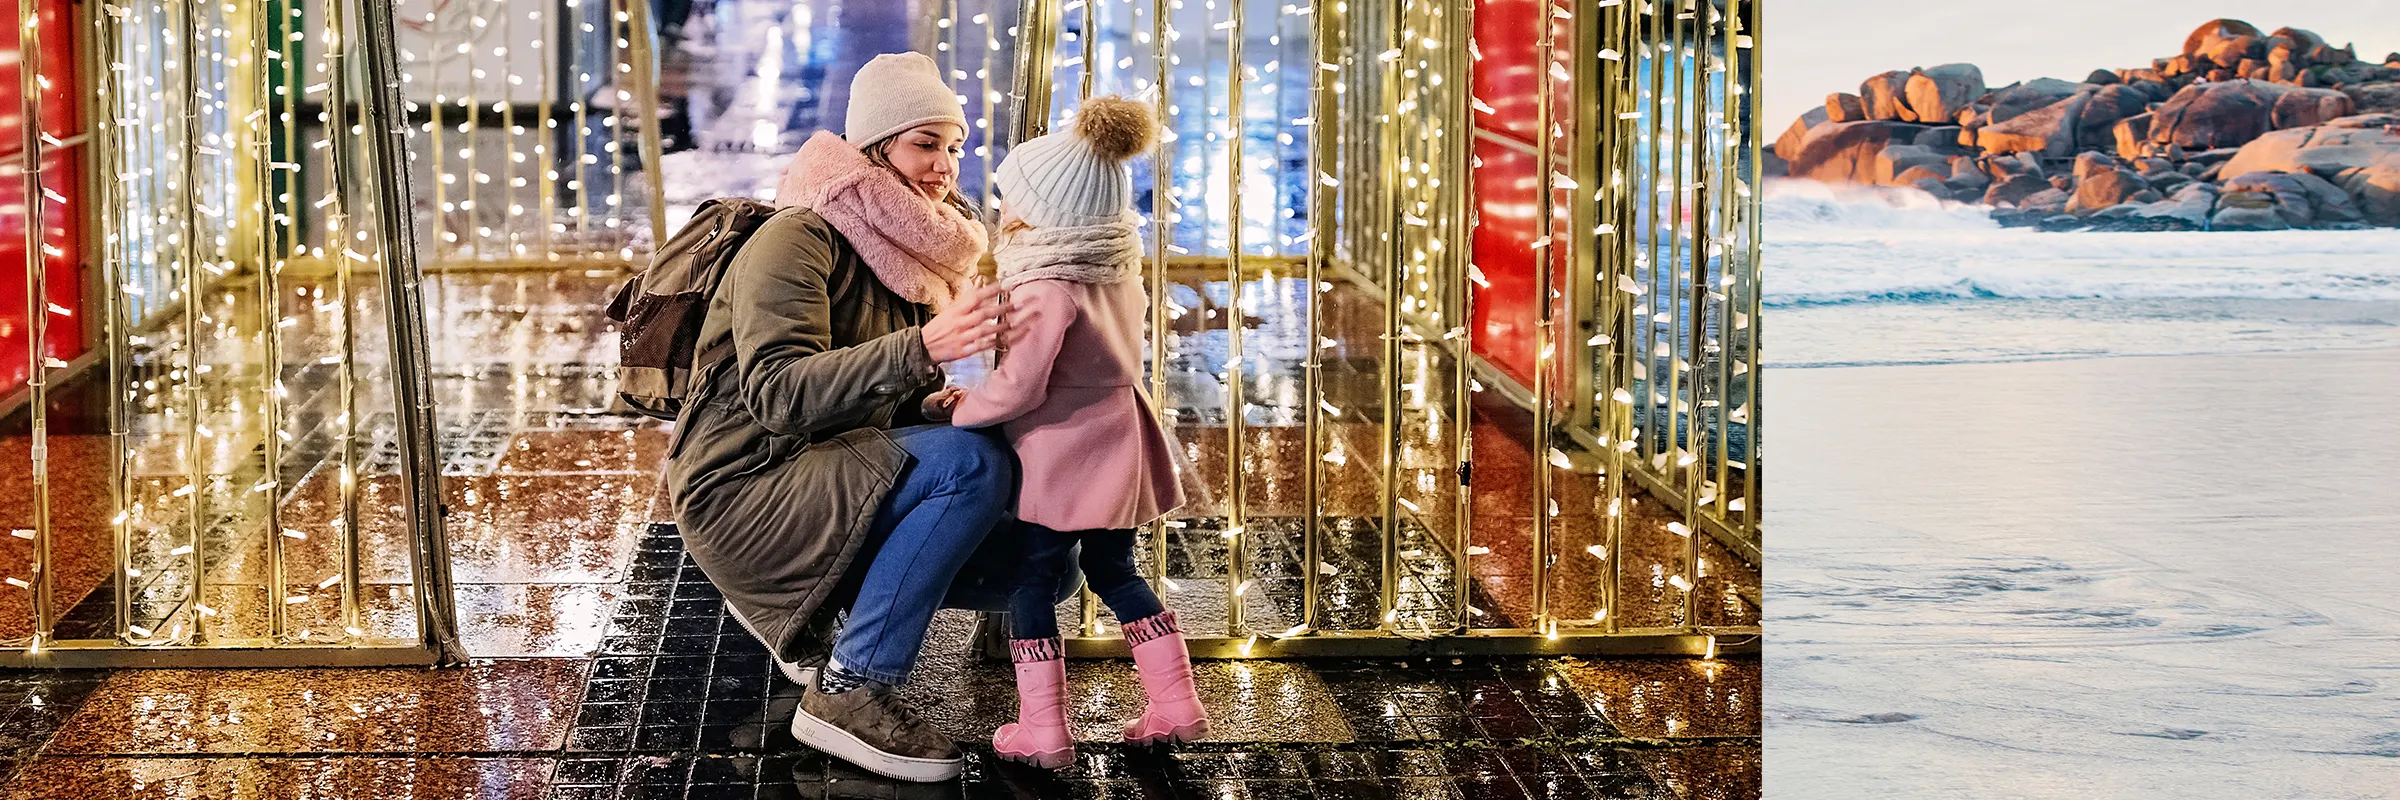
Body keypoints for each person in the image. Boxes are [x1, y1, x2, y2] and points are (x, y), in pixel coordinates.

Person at [665, 52, 1041, 783]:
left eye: (954, 147)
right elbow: (777, 395)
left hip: (825, 460)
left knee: (1037, 554)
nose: (944, 166)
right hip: (744, 483)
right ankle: (849, 689)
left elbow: (868, 387)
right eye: (924, 144)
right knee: (970, 467)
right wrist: (921, 347)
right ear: (876, 146)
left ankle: (819, 606)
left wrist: (929, 402)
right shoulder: (800, 237)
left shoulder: (916, 246)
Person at [943, 96, 1208, 769]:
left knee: (1032, 578)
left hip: (1060, 450)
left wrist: (962, 410)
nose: (1003, 213)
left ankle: (1045, 728)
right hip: (1118, 439)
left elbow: (1022, 385)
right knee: (1115, 568)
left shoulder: (1045, 285)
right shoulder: (1116, 272)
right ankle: (1178, 705)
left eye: (1013, 202)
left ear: (1050, 214)